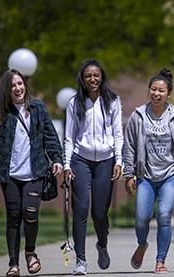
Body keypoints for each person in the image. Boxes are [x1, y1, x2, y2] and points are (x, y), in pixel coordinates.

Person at [0, 69, 63, 277]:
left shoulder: (38, 108)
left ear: (25, 85)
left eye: (20, 83)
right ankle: (13, 264)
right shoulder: (3, 111)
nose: (18, 88)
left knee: (30, 213)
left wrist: (57, 158)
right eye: (13, 85)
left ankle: (30, 253)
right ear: (7, 89)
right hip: (10, 174)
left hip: (35, 172)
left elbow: (50, 136)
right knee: (13, 217)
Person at [123, 68, 174, 274]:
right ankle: (142, 244)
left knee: (164, 216)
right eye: (153, 89)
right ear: (149, 91)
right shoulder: (138, 116)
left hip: (170, 176)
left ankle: (160, 260)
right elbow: (129, 147)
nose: (156, 93)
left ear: (168, 94)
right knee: (141, 218)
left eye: (161, 91)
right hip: (145, 176)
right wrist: (128, 175)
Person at [63, 59, 123, 275]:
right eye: (88, 76)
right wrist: (67, 164)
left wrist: (118, 161)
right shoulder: (74, 103)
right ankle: (80, 261)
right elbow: (69, 137)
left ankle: (102, 244)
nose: (92, 79)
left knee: (99, 213)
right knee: (80, 210)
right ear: (82, 78)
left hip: (106, 160)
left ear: (101, 77)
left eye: (96, 75)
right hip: (81, 159)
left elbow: (118, 134)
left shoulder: (113, 101)